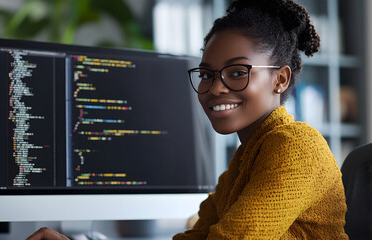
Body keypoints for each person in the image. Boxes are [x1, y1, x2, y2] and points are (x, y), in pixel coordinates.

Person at [26, 0, 348, 239]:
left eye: (237, 72)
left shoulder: (296, 146)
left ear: (280, 79)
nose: (215, 88)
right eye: (206, 75)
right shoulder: (243, 162)